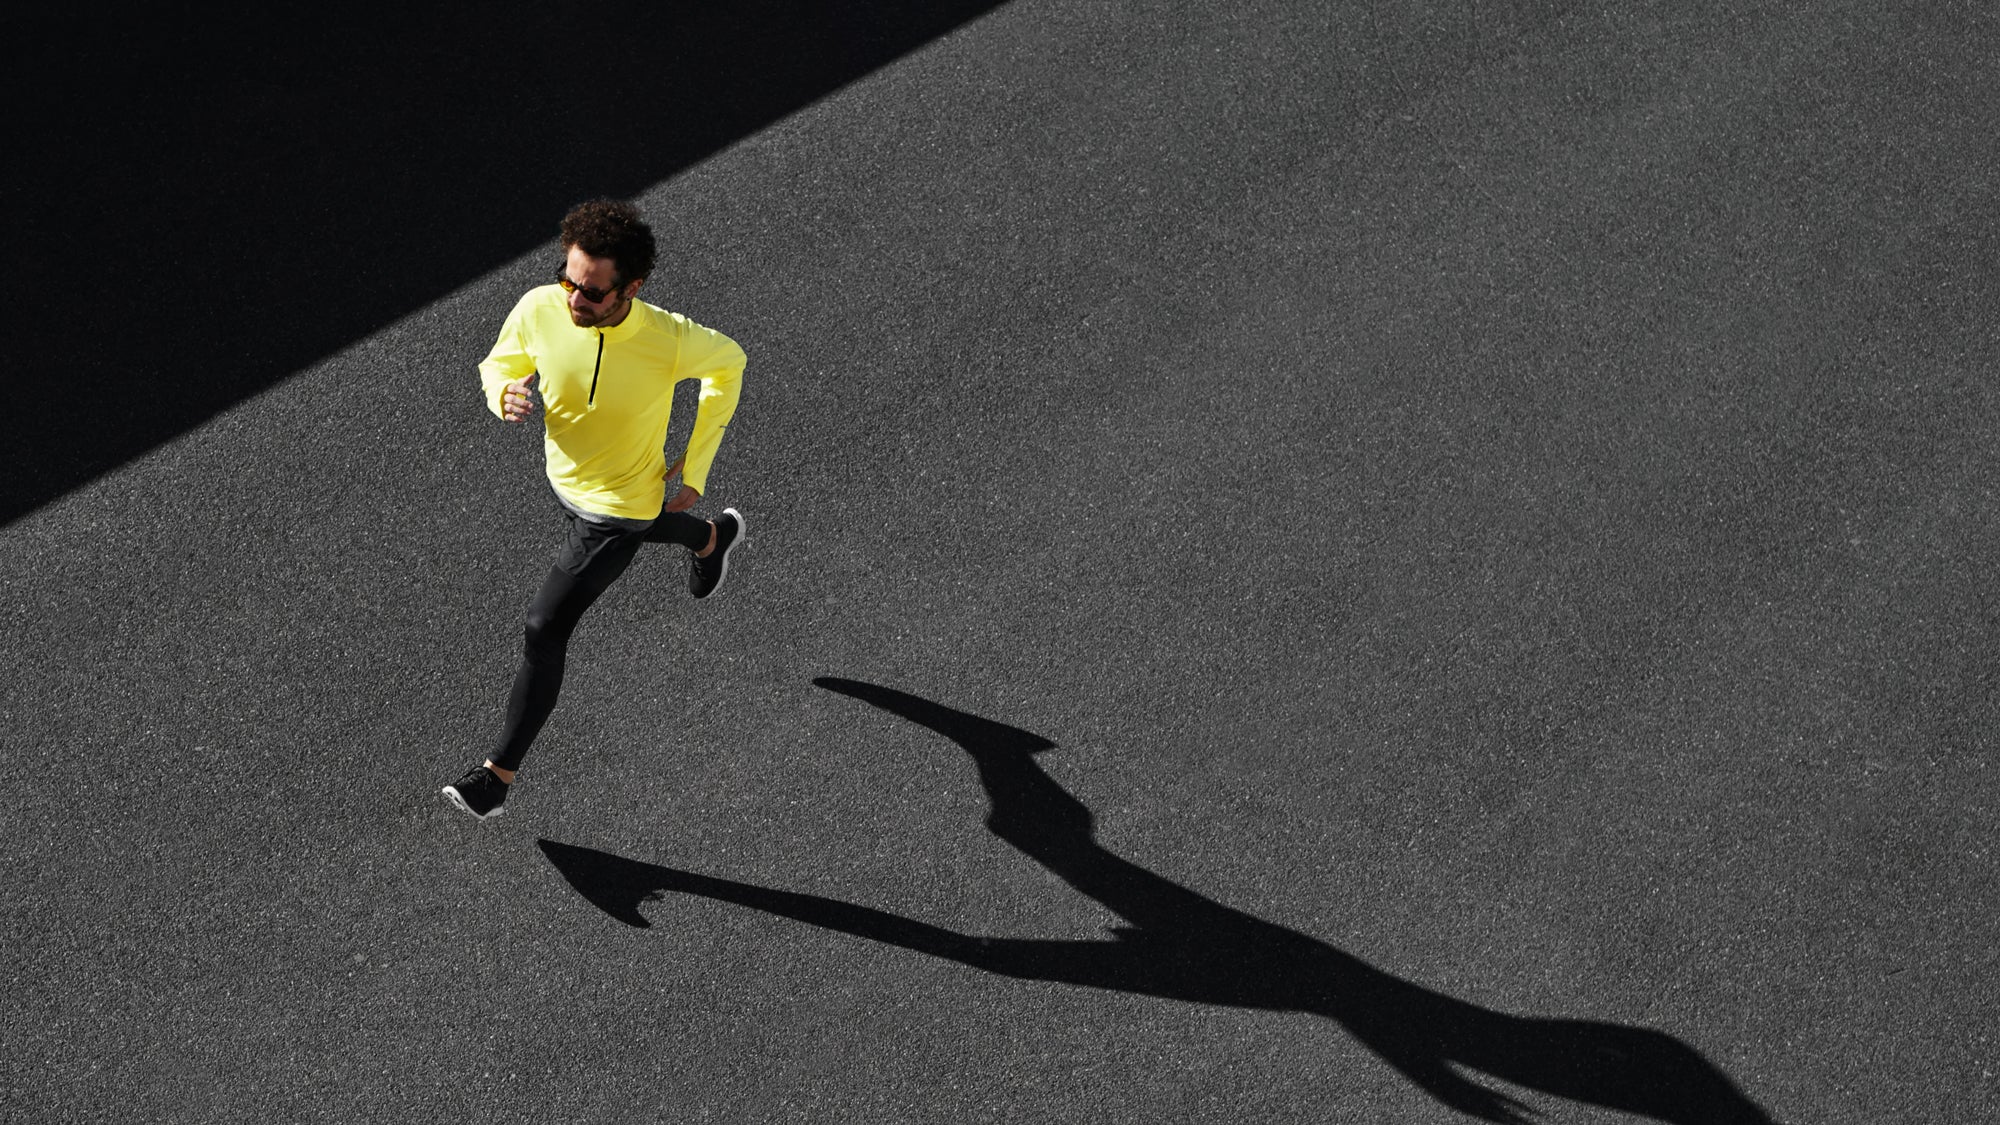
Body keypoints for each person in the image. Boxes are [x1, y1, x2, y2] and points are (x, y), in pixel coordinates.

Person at [442, 199, 746, 821]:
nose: (574, 299)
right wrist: (503, 393)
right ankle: (710, 540)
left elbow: (730, 364)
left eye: (592, 292)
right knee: (641, 527)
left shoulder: (669, 339)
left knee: (544, 628)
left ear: (630, 288)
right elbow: (501, 359)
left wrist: (696, 465)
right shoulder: (540, 306)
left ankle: (496, 778)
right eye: (569, 279)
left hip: (620, 504)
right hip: (566, 479)